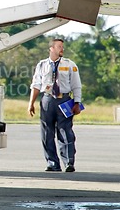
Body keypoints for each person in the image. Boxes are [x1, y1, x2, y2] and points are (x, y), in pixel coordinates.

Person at [28, 38, 82, 172]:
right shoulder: (42, 65)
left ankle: (69, 162)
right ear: (51, 49)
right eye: (59, 47)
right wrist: (31, 103)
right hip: (47, 100)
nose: (62, 49)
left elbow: (76, 85)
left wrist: (77, 102)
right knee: (47, 133)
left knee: (66, 132)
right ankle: (52, 163)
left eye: (62, 47)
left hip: (64, 100)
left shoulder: (70, 64)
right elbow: (36, 85)